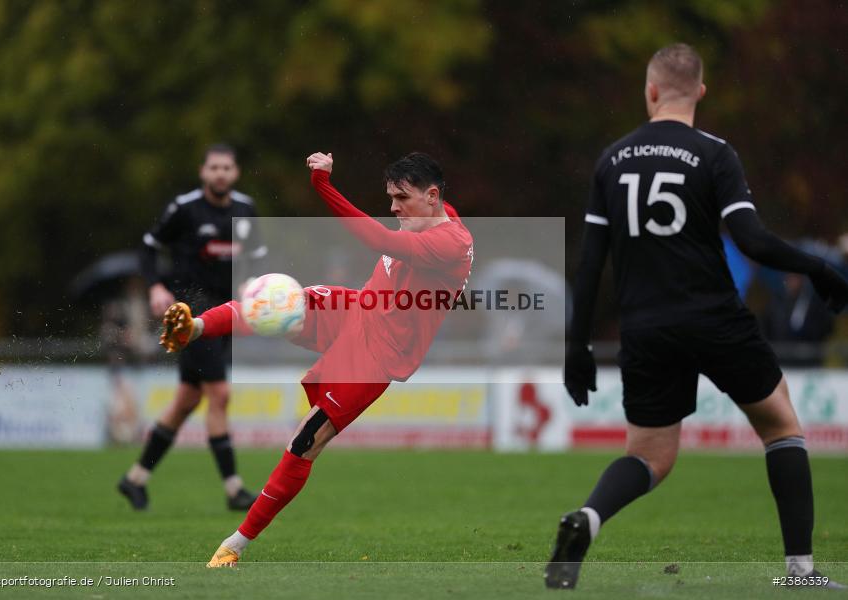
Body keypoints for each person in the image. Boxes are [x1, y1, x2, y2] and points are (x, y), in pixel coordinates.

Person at [546, 43, 848, 589]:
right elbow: (753, 240)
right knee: (782, 428)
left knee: (650, 456)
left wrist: (577, 346)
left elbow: (592, 263)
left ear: (652, 91)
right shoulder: (714, 153)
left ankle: (587, 519)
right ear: (701, 93)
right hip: (713, 318)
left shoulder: (611, 159)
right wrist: (822, 269)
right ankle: (800, 573)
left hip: (644, 327)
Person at [158, 151, 472, 567]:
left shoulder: (450, 242)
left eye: (402, 197)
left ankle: (234, 545)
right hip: (359, 309)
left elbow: (379, 239)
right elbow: (411, 216)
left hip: (378, 353)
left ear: (431, 196)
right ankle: (193, 328)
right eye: (391, 197)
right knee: (275, 304)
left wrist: (323, 185)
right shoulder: (438, 213)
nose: (393, 207)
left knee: (304, 442)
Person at [117, 144, 268, 511]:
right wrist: (156, 286)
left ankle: (135, 479)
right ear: (203, 171)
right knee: (219, 395)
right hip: (191, 311)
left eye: (226, 167)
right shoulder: (184, 209)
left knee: (187, 400)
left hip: (228, 310)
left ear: (236, 172)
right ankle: (234, 489)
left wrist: (255, 289)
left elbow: (257, 260)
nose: (220, 173)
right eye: (214, 167)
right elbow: (148, 248)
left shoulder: (246, 210)